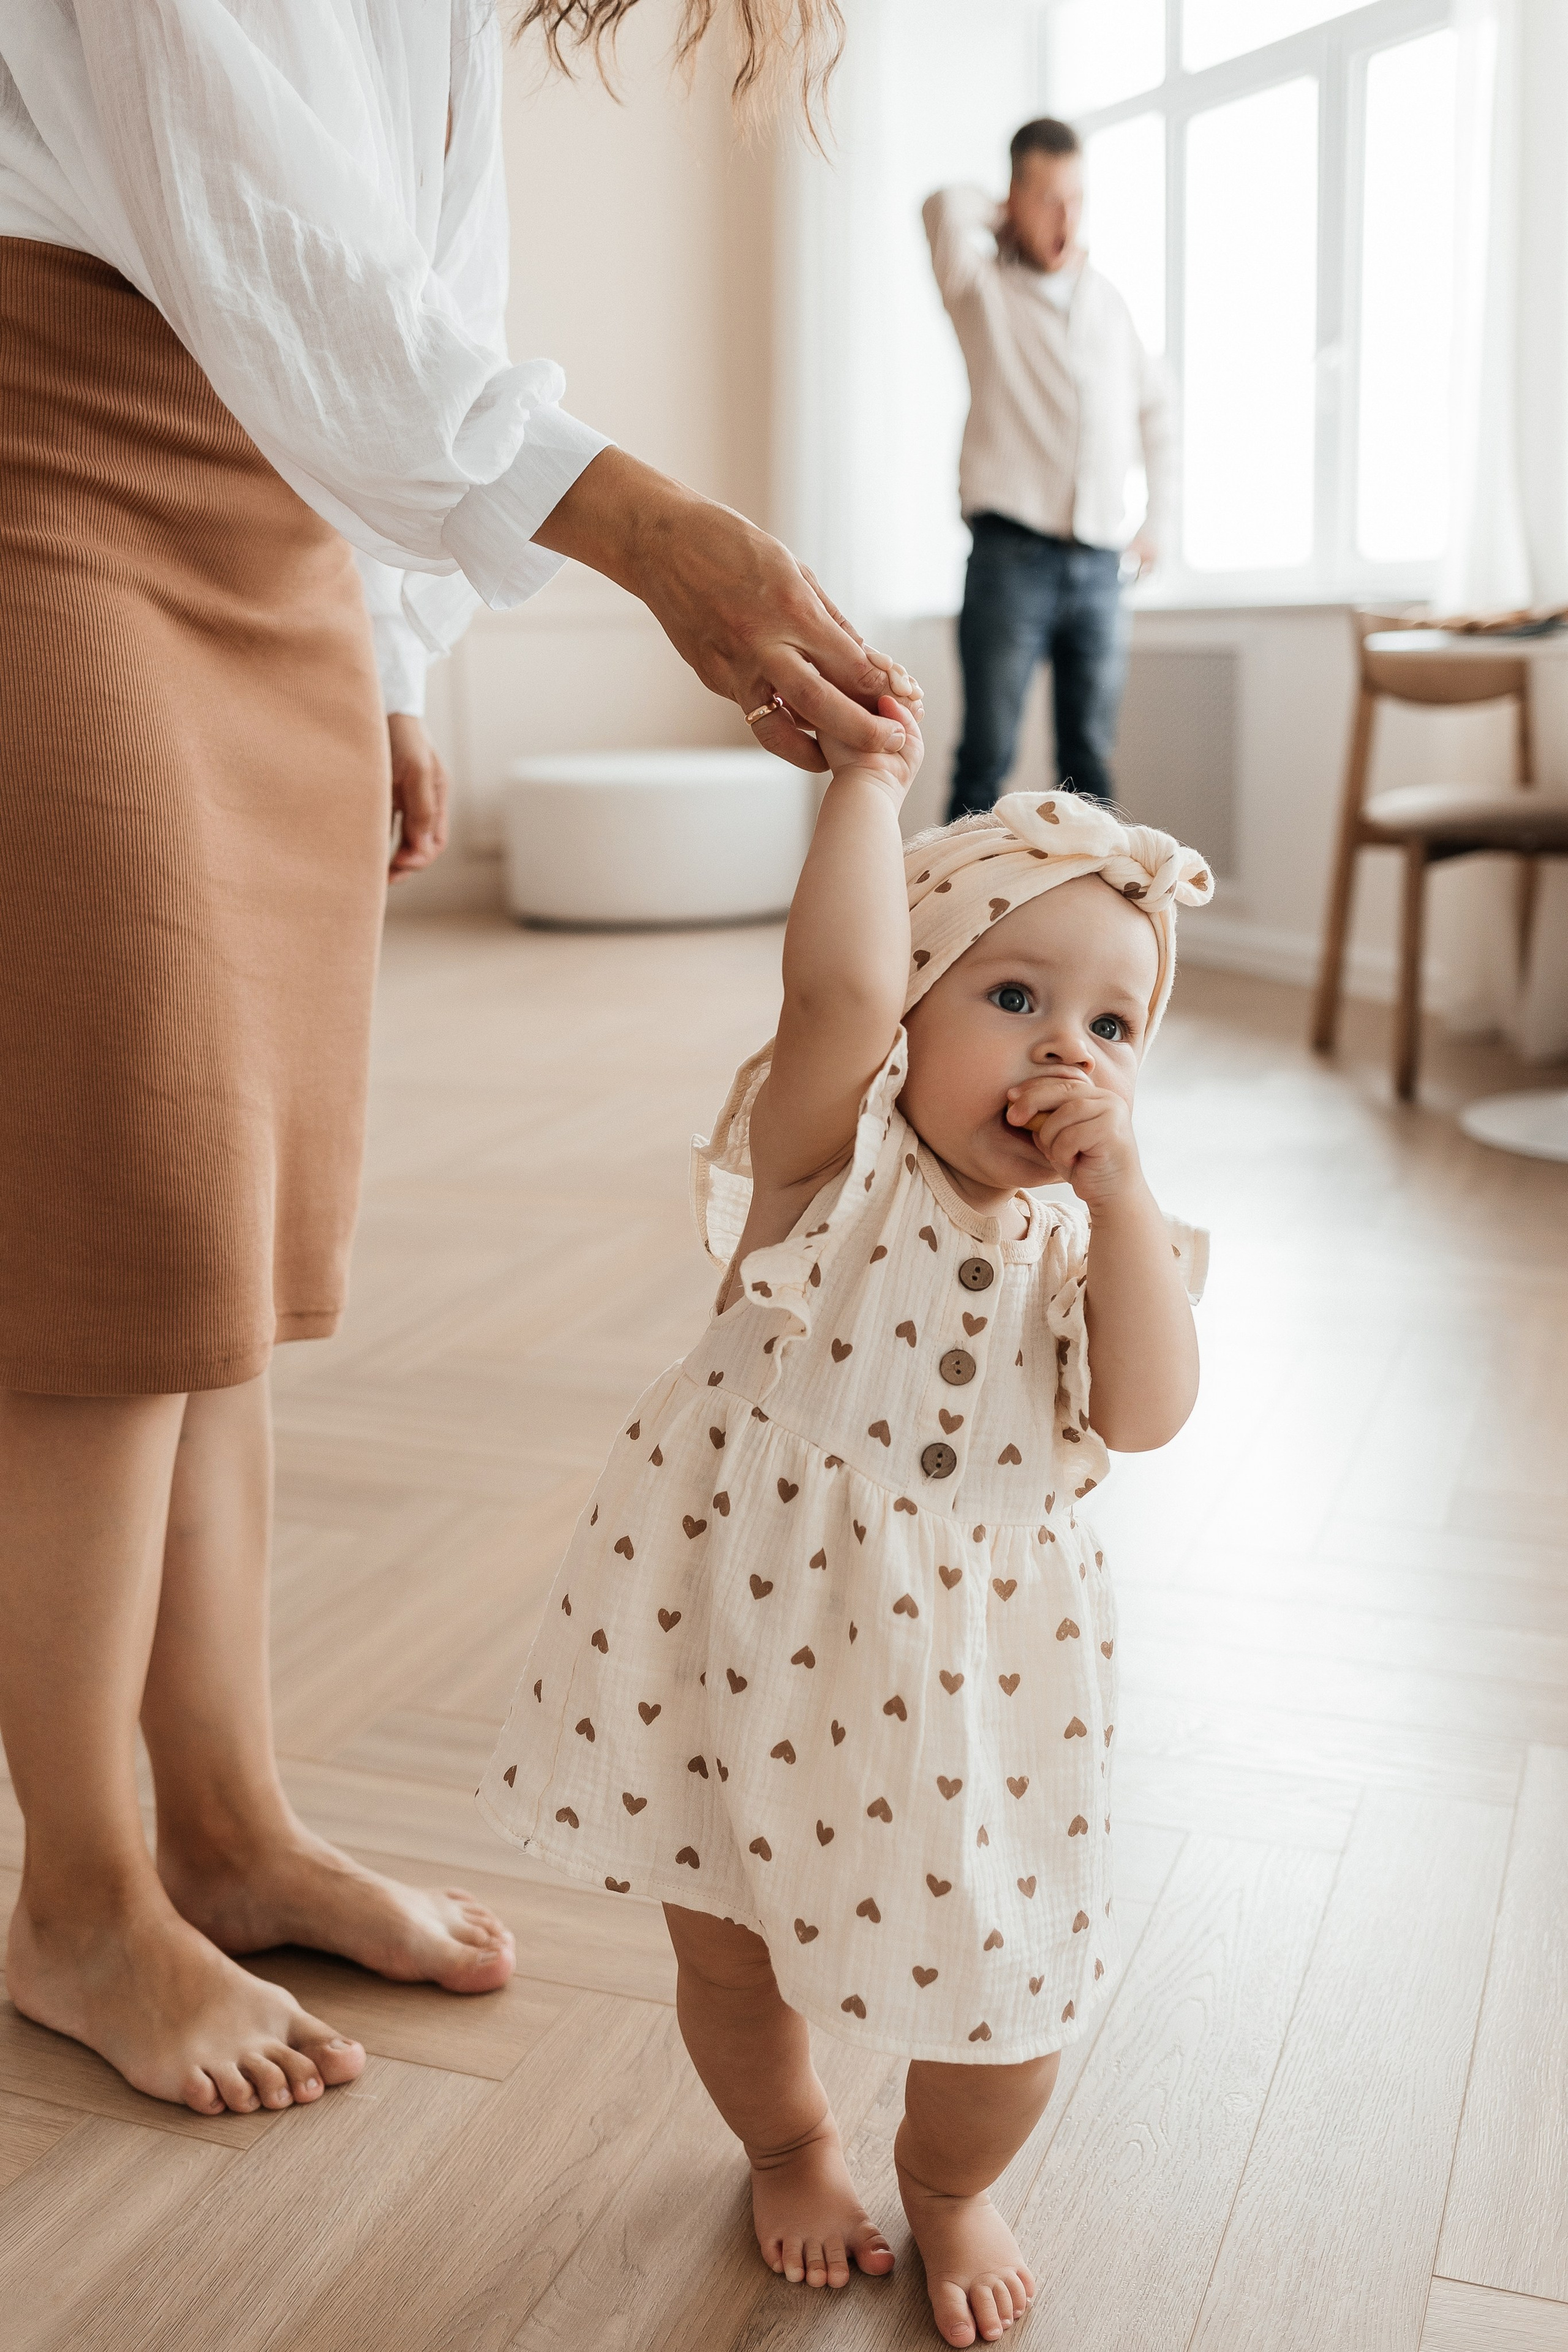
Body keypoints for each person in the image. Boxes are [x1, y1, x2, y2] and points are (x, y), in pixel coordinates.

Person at [0, 0, 912, 2122]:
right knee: (121, 1197)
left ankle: (221, 1823)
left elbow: (421, 270)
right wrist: (652, 528)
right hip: (48, 443)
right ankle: (78, 1890)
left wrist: (403, 647)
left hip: (291, 511)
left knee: (231, 1220)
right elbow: (241, 218)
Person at [479, 720, 1213, 2343]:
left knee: (1014, 1988)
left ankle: (951, 2184)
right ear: (913, 1004)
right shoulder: (833, 1172)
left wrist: (1129, 1203)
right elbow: (828, 993)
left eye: (1113, 1023)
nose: (1061, 1054)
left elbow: (1150, 1414)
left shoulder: (1093, 1248)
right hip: (745, 1636)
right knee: (727, 1947)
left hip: (984, 1695)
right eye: (1011, 997)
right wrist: (866, 792)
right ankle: (789, 2142)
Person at [924, 117, 1174, 819]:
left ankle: (1097, 929)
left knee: (1089, 763)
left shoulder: (1109, 304)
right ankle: (950, 929)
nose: (1067, 216)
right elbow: (941, 205)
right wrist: (1001, 212)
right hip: (1010, 557)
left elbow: (1159, 413)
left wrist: (1158, 520)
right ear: (1014, 197)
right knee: (985, 757)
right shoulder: (978, 288)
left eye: (1077, 198)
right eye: (1048, 197)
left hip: (1100, 566)